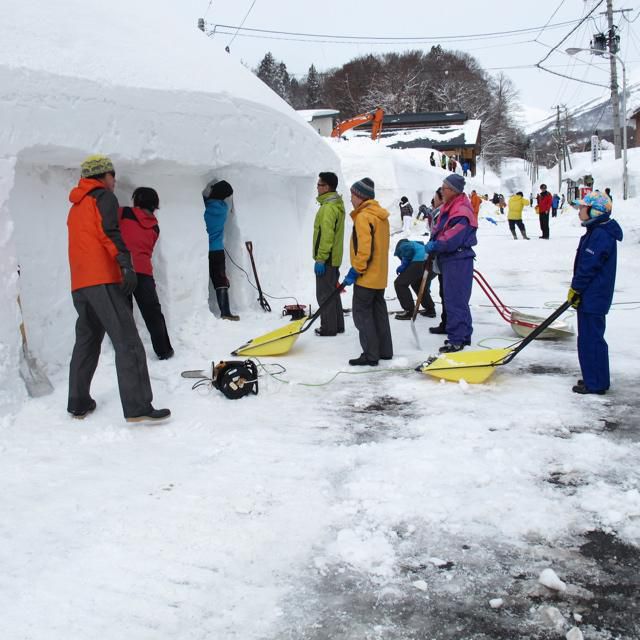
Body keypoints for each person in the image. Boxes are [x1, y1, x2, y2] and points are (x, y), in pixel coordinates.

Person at [66, 155, 170, 423]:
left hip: (81, 283)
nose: (115, 182)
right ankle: (138, 407)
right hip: (104, 278)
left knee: (87, 342)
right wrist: (126, 265)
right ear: (103, 175)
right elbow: (109, 232)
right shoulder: (102, 197)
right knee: (129, 342)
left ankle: (78, 402)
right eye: (113, 176)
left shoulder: (77, 205)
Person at [567, 190, 622, 395]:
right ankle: (594, 378)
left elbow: (588, 267)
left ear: (595, 211)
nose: (579, 211)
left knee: (591, 340)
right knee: (590, 338)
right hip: (592, 295)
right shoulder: (597, 231)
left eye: (582, 207)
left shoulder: (600, 234)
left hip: (593, 295)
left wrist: (576, 289)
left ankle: (596, 383)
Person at [118, 187, 174, 360]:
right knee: (153, 313)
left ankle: (127, 351)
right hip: (144, 273)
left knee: (123, 313)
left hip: (122, 270)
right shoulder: (155, 227)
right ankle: (164, 350)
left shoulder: (124, 213)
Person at [342, 178, 393, 366]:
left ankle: (371, 354)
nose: (351, 199)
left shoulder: (364, 217)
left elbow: (365, 249)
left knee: (362, 315)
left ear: (360, 197)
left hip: (366, 277)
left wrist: (356, 270)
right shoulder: (380, 216)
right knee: (378, 314)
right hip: (379, 277)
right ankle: (385, 351)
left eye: (353, 196)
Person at [424, 174, 477, 353]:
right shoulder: (451, 206)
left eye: (444, 188)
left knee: (455, 300)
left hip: (458, 259)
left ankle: (457, 340)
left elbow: (452, 237)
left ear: (453, 190)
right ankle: (462, 336)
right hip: (450, 259)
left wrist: (437, 244)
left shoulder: (461, 210)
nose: (442, 191)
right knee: (455, 299)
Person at [313, 172, 345, 337]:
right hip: (334, 258)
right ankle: (337, 325)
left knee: (324, 294)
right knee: (332, 292)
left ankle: (328, 327)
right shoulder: (336, 204)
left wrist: (320, 258)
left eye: (319, 184)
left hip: (327, 259)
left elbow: (326, 236)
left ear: (327, 187)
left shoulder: (328, 208)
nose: (317, 187)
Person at [203, 179, 239, 320]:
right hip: (217, 249)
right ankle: (225, 312)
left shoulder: (205, 207)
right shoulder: (223, 208)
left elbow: (206, 203)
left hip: (204, 249)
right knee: (220, 279)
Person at [393, 239, 436, 320]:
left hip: (420, 261)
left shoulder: (403, 245)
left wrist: (403, 265)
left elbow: (408, 252)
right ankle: (430, 309)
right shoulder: (419, 245)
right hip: (432, 264)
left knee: (400, 283)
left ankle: (409, 311)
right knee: (418, 284)